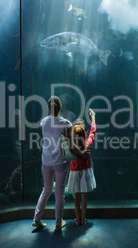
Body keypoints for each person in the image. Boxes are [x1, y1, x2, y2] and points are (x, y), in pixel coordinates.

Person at [32, 96, 90, 230]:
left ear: (48, 107)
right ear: (61, 107)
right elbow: (71, 146)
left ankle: (36, 219)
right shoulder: (66, 123)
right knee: (59, 193)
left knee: (46, 190)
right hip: (60, 162)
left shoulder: (44, 122)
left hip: (46, 161)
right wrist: (82, 153)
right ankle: (58, 223)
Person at [67, 109, 97, 225]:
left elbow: (66, 135)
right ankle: (83, 218)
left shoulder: (72, 146)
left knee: (77, 197)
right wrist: (93, 118)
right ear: (84, 133)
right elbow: (93, 131)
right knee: (84, 196)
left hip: (75, 171)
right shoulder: (88, 143)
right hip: (85, 171)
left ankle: (78, 219)